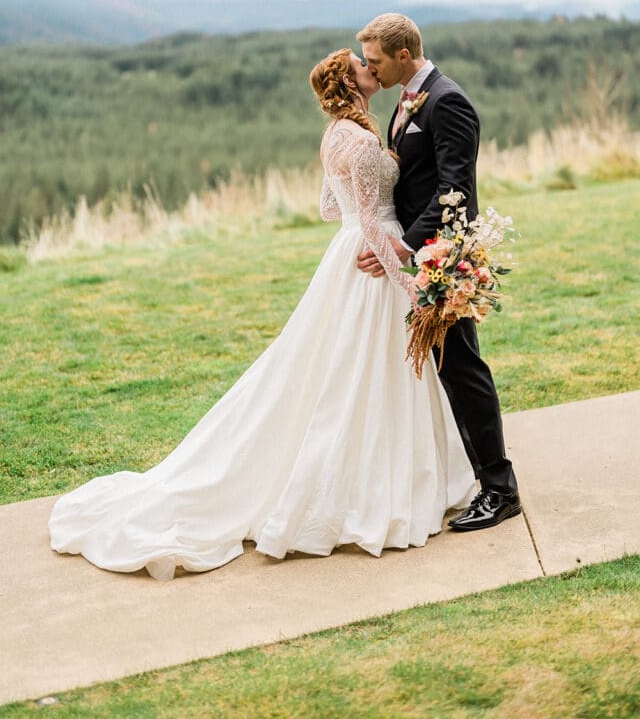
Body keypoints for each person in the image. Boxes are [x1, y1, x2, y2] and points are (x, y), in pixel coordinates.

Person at [48, 47, 475, 579]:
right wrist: (406, 280)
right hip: (373, 260)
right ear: (351, 82)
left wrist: (364, 216)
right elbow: (367, 221)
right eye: (363, 66)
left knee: (344, 368)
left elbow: (329, 208)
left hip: (347, 255)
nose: (372, 69)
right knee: (365, 372)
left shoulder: (333, 137)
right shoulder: (363, 142)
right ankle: (373, 487)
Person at [356, 14, 520, 531]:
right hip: (422, 258)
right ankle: (473, 476)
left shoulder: (447, 101)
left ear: (404, 55)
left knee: (463, 370)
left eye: (376, 60)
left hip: (443, 258)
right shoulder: (408, 99)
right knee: (451, 369)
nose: (372, 70)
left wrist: (402, 247)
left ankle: (500, 490)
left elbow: (456, 194)